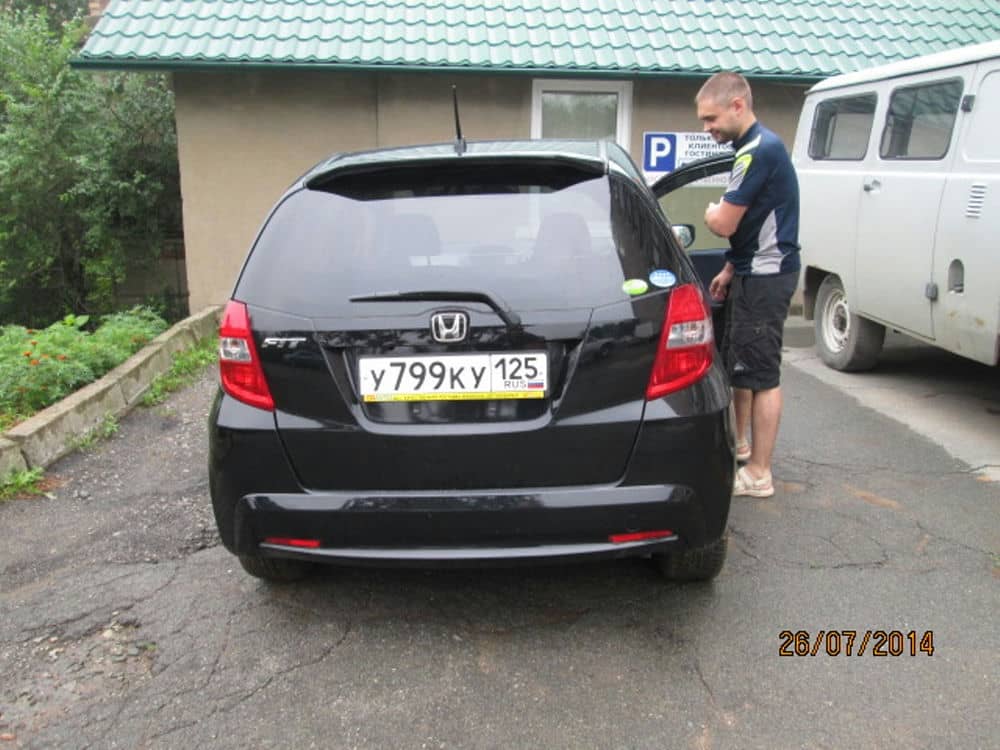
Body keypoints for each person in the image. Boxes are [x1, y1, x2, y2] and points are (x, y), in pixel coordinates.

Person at [696, 72, 800, 499]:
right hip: (750, 271)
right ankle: (740, 446)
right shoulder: (749, 149)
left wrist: (710, 212)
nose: (707, 128)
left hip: (767, 277)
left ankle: (759, 473)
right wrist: (729, 269)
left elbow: (724, 223)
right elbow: (752, 225)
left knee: (762, 377)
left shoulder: (759, 151)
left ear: (737, 105)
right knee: (742, 367)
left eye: (711, 118)